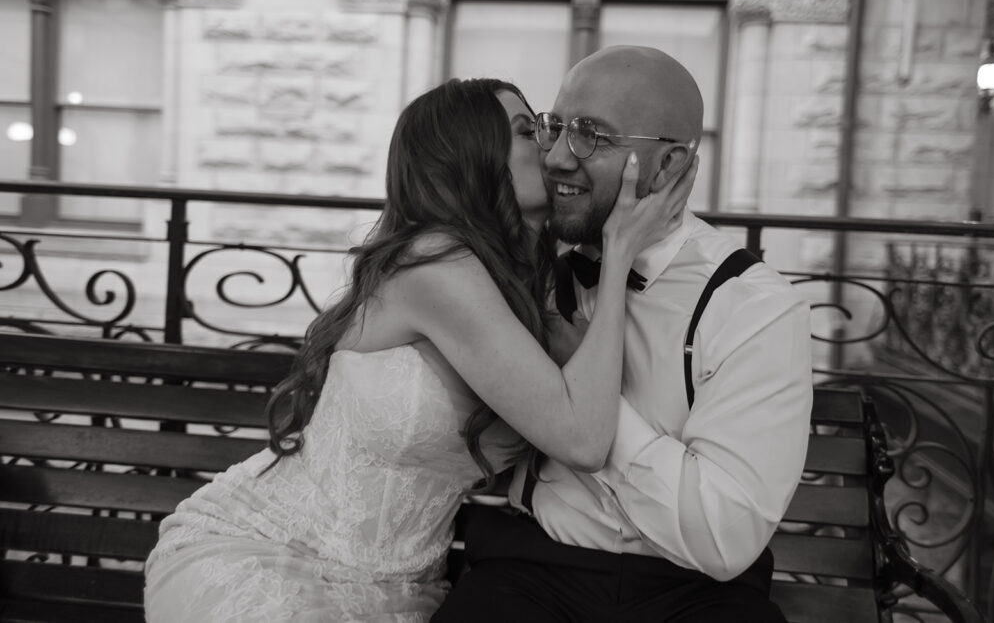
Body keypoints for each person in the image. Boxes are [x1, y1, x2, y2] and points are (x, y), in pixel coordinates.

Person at [143, 77, 694, 622]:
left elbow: (576, 421)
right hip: (270, 552)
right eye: (530, 131)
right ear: (474, 158)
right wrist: (620, 252)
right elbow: (584, 439)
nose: (553, 151)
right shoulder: (437, 264)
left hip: (402, 590)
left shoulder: (526, 288)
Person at [433, 47, 814, 622]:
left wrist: (582, 391)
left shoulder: (752, 306)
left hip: (694, 593)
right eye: (554, 127)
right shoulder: (524, 269)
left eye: (594, 136)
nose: (558, 157)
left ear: (669, 167)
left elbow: (723, 538)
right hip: (532, 569)